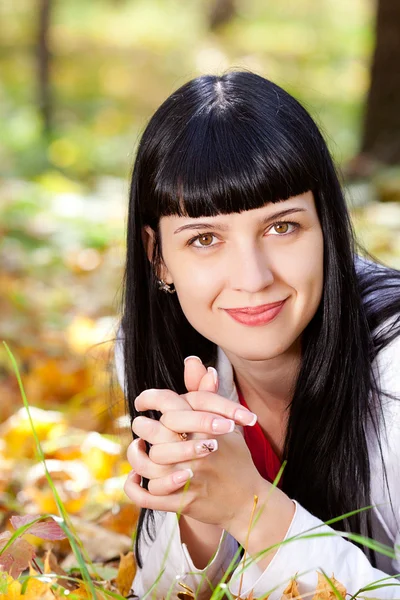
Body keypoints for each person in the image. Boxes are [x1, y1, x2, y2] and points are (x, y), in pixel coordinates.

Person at [114, 70, 400, 599]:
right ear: (158, 258)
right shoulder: (155, 350)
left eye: (282, 227)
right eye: (204, 238)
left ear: (327, 228)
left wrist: (252, 510)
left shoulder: (394, 372)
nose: (253, 278)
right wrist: (194, 498)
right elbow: (156, 588)